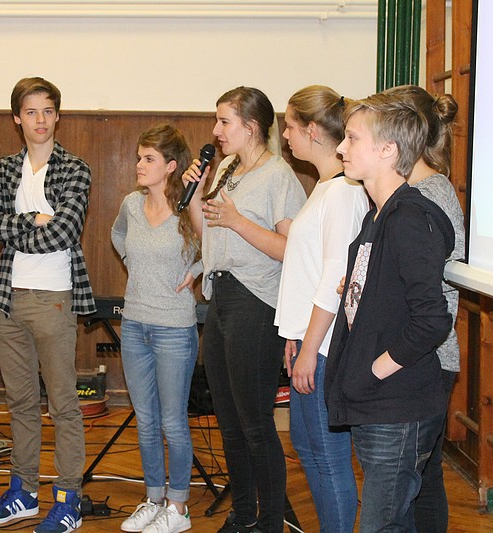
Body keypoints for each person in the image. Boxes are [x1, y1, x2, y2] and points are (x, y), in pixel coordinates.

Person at [325, 93, 455, 532]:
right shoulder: (377, 216)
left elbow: (432, 319)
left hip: (396, 405)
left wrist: (374, 371)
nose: (341, 148)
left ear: (388, 150)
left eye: (352, 138)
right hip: (376, 402)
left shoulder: (409, 217)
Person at [0, 77, 95, 533]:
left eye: (47, 110)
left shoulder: (74, 168)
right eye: (30, 111)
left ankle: (68, 499)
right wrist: (30, 219)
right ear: (16, 118)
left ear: (57, 116)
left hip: (54, 300)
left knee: (63, 405)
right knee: (20, 402)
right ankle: (23, 491)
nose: (40, 119)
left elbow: (64, 232)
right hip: (8, 299)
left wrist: (15, 229)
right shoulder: (4, 168)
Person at [183, 86, 306, 533]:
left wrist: (238, 221)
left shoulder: (279, 176)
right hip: (220, 298)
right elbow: (209, 236)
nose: (216, 131)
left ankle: (271, 521)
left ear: (251, 127)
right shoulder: (228, 170)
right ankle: (242, 515)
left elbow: (292, 248)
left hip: (255, 302)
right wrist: (196, 196)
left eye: (224, 121)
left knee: (255, 424)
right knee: (229, 422)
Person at [275, 86, 369, 533]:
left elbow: (336, 276)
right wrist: (294, 337)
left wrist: (310, 348)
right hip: (310, 341)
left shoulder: (343, 192)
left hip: (326, 346)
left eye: (290, 126)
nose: (285, 136)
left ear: (312, 130)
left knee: (328, 457)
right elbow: (309, 271)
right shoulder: (325, 188)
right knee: (308, 447)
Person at [111, 123, 201, 533]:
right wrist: (134, 262)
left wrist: (198, 268)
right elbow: (118, 235)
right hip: (134, 325)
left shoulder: (188, 206)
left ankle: (179, 507)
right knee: (145, 420)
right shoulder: (131, 204)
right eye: (138, 157)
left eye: (148, 158)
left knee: (173, 422)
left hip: (175, 330)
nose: (139, 165)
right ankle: (154, 498)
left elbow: (216, 245)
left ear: (170, 166)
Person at [384, 84, 464, 533]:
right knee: (422, 477)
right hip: (423, 353)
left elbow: (423, 287)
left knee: (416, 480)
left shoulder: (428, 193)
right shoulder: (420, 189)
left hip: (428, 355)